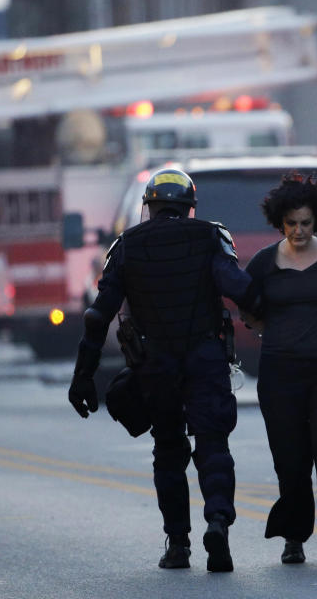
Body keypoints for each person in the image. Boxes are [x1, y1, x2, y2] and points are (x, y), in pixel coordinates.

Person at [67, 166, 255, 573]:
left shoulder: (126, 245)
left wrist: (84, 375)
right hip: (205, 357)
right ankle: (218, 522)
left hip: (156, 364)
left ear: (149, 208)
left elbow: (98, 316)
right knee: (213, 444)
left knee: (169, 450)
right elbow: (239, 288)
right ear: (189, 208)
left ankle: (179, 545)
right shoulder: (212, 236)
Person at [241, 171, 317, 567]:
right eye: (291, 223)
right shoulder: (263, 262)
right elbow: (248, 309)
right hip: (279, 373)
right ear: (280, 222)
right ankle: (294, 536)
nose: (298, 230)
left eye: (305, 223)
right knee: (291, 458)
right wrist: (273, 333)